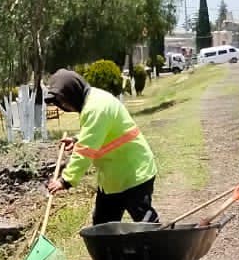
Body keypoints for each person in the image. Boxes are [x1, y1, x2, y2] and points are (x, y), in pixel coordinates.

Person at [42, 69, 159, 225]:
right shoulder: (92, 100)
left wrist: (65, 180)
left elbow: (85, 150)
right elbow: (98, 132)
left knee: (146, 225)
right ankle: (109, 250)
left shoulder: (96, 108)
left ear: (72, 93)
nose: (64, 106)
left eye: (63, 101)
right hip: (113, 178)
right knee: (102, 226)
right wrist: (78, 139)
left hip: (134, 173)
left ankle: (161, 248)